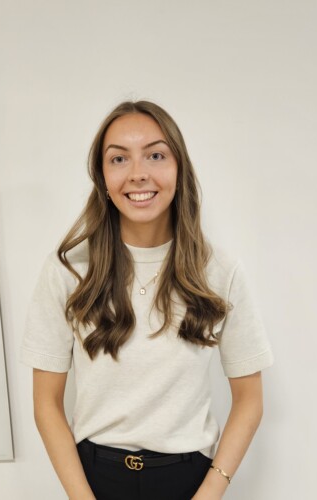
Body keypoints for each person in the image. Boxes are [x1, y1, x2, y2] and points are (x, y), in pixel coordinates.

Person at [20, 100, 274, 500]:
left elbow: (250, 400)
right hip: (93, 480)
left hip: (190, 481)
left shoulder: (220, 272)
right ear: (102, 177)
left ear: (178, 169)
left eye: (156, 155)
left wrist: (210, 493)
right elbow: (46, 404)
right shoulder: (68, 270)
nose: (138, 174)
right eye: (118, 159)